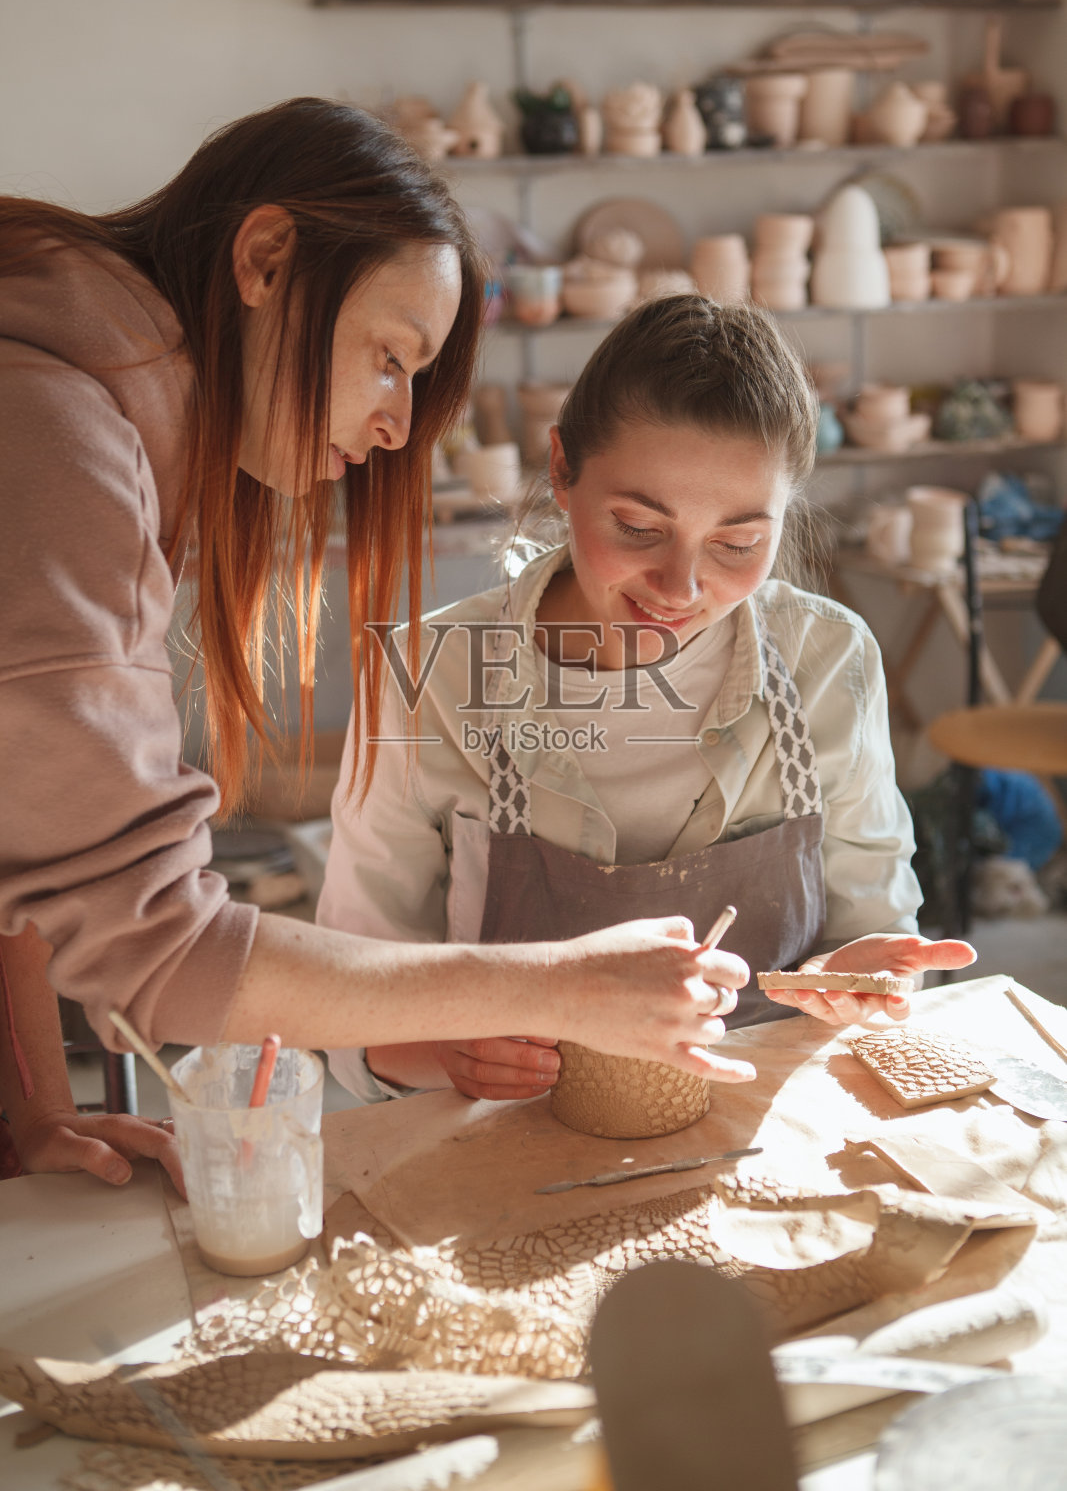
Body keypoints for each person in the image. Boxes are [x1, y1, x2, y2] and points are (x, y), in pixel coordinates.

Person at [0, 101, 738, 1180]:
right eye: (389, 357)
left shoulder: (91, 397)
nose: (395, 425)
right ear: (264, 258)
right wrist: (556, 986)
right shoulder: (57, 429)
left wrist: (35, 1113)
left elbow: (29, 831)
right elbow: (161, 947)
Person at [320, 295, 975, 1106]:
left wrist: (856, 979)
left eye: (738, 544)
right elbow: (351, 993)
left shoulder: (825, 658)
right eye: (637, 527)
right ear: (562, 470)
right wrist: (439, 1050)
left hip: (762, 1142)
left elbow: (871, 932)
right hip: (509, 1146)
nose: (681, 587)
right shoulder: (431, 675)